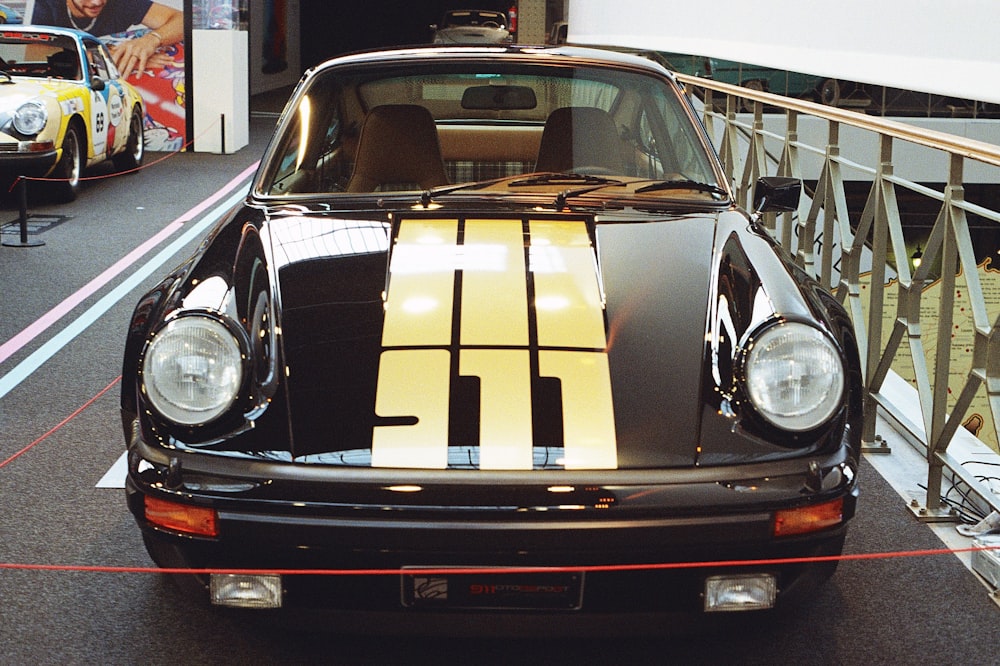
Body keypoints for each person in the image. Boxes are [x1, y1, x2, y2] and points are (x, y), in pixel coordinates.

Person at [29, 0, 183, 78]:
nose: (97, 2)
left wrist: (152, 39)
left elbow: (183, 20)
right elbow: (35, 56)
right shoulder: (45, 5)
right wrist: (113, 58)